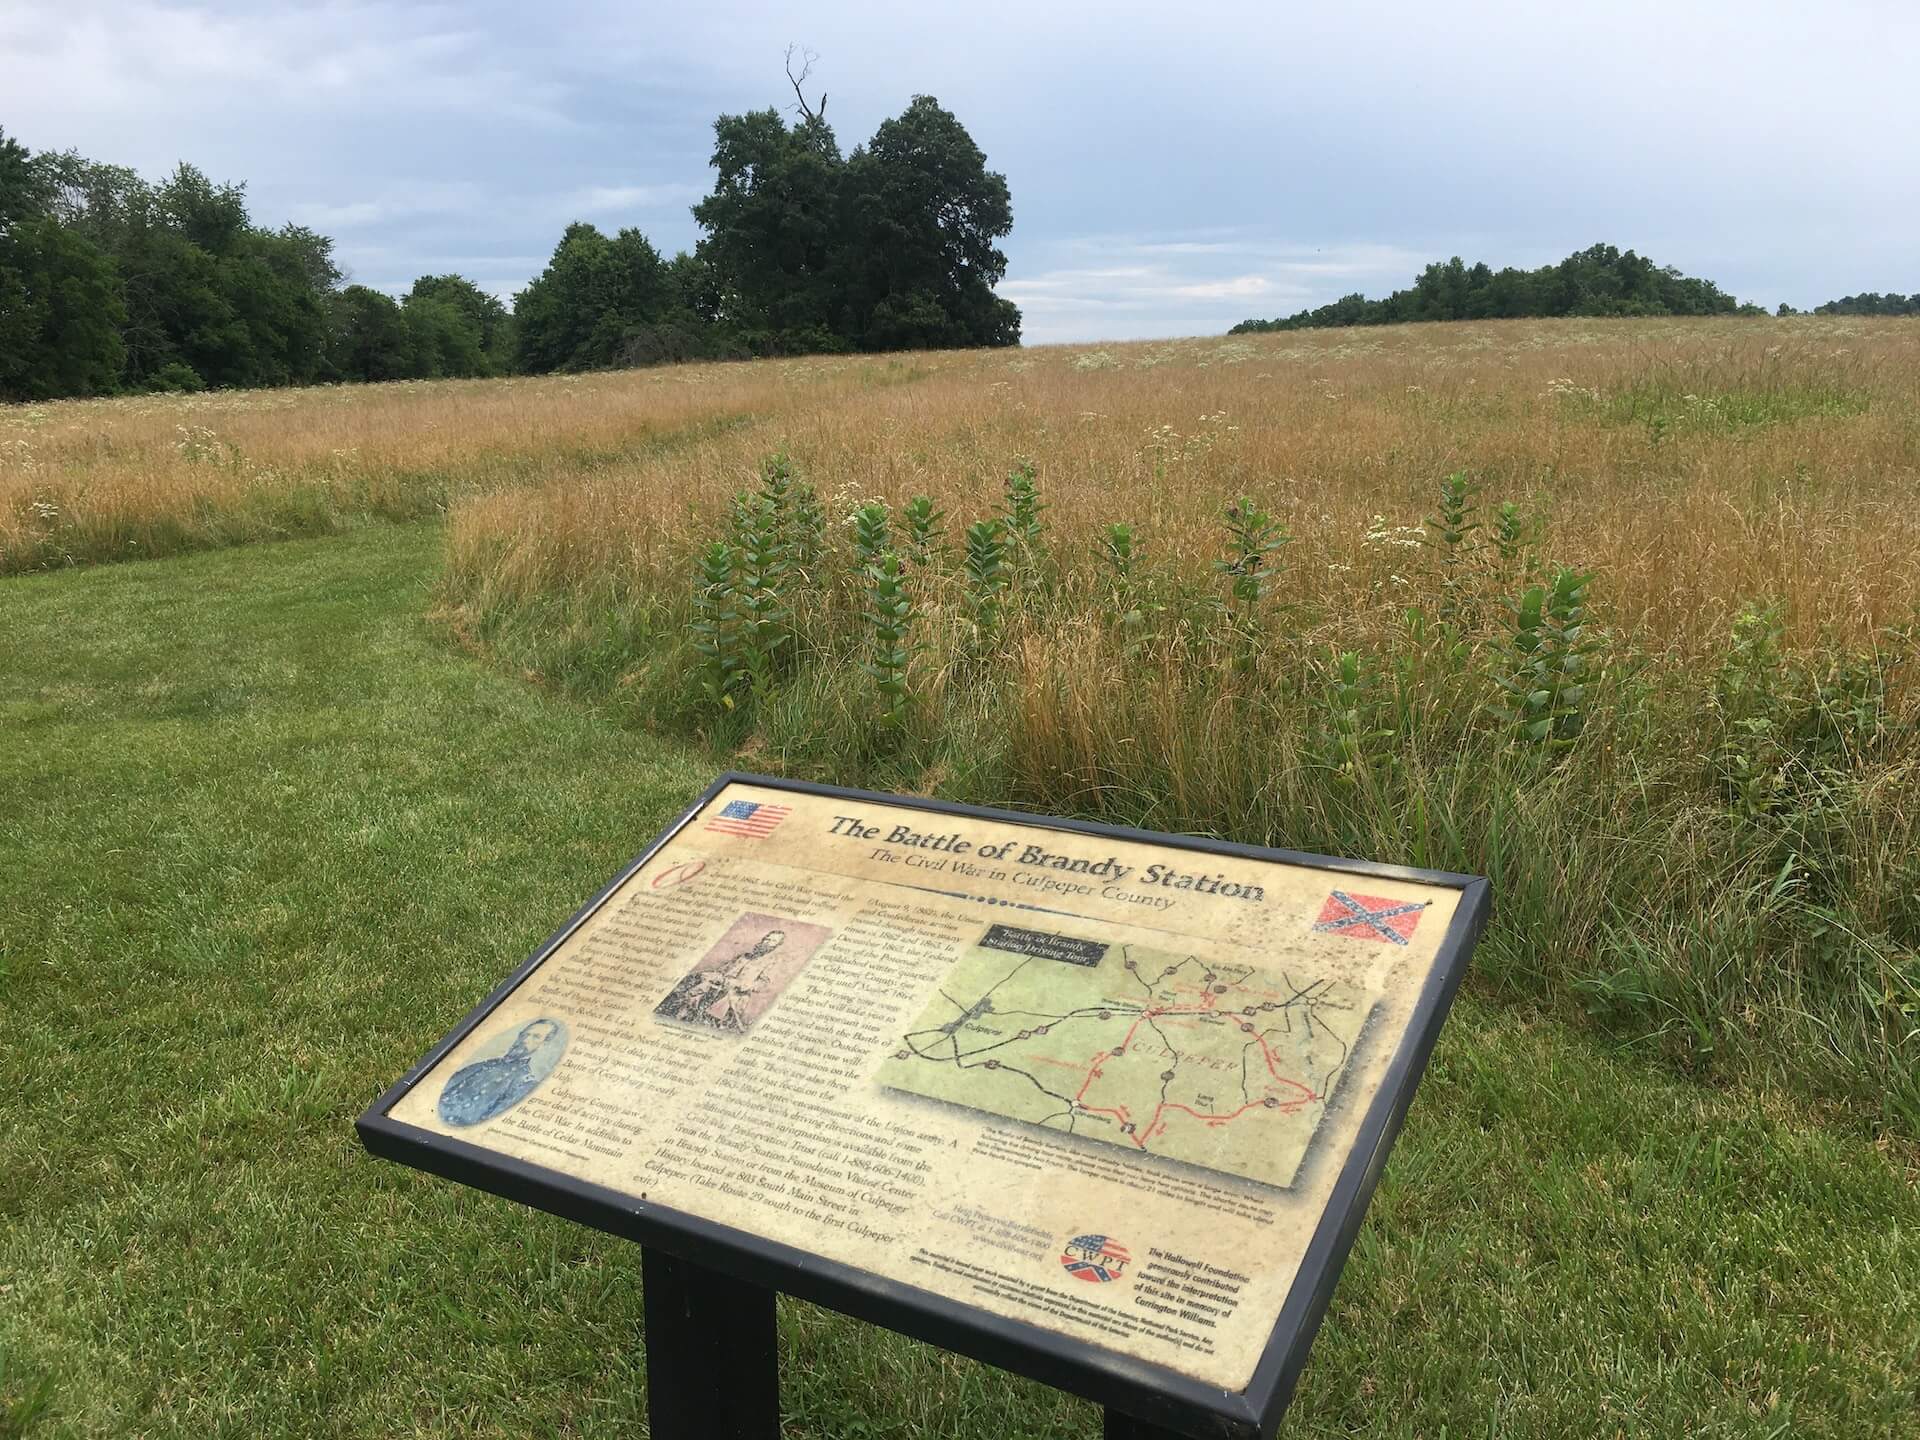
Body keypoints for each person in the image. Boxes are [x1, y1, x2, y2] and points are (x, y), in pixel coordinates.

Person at [437, 1017, 563, 1127]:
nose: (525, 1040)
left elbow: (491, 1120)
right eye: (524, 1034)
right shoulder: (487, 1063)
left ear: (544, 1044)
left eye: (536, 1037)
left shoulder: (525, 1081)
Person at [657, 930, 787, 1031]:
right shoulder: (744, 956)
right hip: (716, 985)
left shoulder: (772, 962)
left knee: (710, 1015)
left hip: (734, 995)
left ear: (777, 945)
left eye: (771, 941)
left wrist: (741, 985)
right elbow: (722, 970)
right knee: (690, 988)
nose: (766, 942)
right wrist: (712, 975)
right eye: (766, 938)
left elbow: (762, 984)